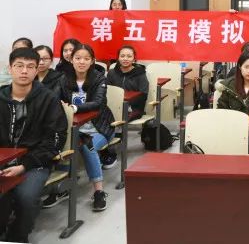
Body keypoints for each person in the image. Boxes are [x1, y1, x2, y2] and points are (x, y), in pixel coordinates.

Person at [0, 48, 67, 243]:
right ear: (10, 68)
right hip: (2, 161)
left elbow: (55, 139)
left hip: (34, 163)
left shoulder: (49, 99)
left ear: (37, 70)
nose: (24, 71)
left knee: (26, 197)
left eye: (30, 67)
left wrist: (24, 165)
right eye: (19, 66)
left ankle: (17, 237)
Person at [48, 44, 114, 211]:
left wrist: (74, 108)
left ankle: (99, 191)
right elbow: (54, 100)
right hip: (73, 129)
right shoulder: (64, 79)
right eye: (78, 58)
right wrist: (60, 105)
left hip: (99, 128)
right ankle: (63, 186)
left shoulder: (99, 78)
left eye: (86, 58)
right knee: (64, 145)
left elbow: (98, 102)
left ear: (92, 61)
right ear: (71, 60)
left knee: (87, 146)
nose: (82, 62)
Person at [106, 45, 149, 121]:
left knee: (121, 118)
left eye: (129, 56)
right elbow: (108, 91)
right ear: (118, 58)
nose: (125, 59)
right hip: (114, 106)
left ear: (134, 58)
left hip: (133, 108)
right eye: (122, 56)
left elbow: (143, 94)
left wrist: (128, 104)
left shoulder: (140, 73)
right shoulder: (112, 72)